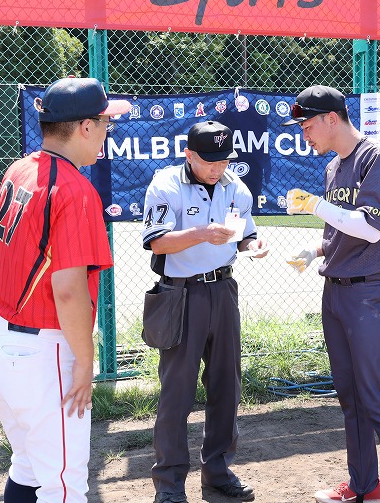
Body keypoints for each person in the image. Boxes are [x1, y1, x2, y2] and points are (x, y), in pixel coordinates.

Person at [0, 77, 131, 503]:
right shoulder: (74, 189)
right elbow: (68, 289)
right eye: (104, 123)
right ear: (84, 127)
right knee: (63, 488)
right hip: (46, 353)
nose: (107, 132)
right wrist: (84, 361)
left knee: (28, 467)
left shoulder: (20, 169)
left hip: (3, 343)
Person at [281, 85, 380, 503]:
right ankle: (364, 486)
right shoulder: (333, 168)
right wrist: (315, 250)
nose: (305, 135)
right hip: (337, 292)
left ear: (331, 118)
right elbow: (342, 231)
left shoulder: (378, 157)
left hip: (370, 293)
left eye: (307, 126)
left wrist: (315, 206)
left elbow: (371, 229)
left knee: (377, 397)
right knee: (351, 397)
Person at [141, 120, 269, 503]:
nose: (218, 168)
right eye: (210, 160)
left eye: (224, 159)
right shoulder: (166, 184)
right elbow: (157, 242)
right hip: (180, 294)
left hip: (223, 290)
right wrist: (201, 233)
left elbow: (244, 234)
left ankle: (218, 474)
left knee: (226, 387)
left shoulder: (236, 187)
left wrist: (254, 245)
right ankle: (169, 486)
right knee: (177, 393)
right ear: (189, 154)